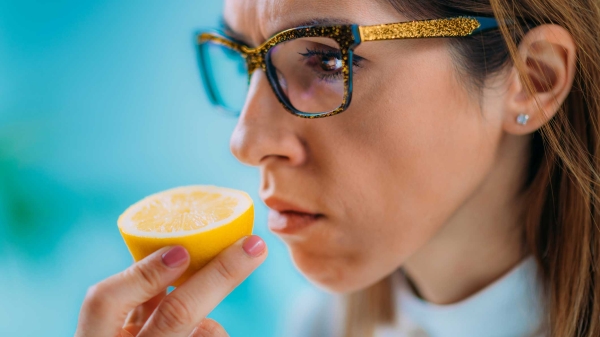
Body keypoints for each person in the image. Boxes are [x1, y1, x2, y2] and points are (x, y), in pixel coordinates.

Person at [75, 0, 600, 336]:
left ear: (533, 78)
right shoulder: (319, 326)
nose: (245, 142)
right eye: (244, 64)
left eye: (329, 60)